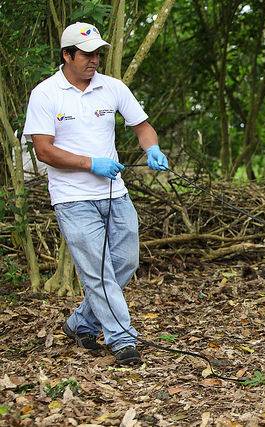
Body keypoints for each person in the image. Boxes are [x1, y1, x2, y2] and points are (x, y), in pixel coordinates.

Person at [22, 22, 168, 366]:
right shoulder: (46, 93)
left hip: (115, 193)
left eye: (98, 53)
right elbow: (44, 150)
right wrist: (90, 163)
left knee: (126, 262)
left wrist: (152, 149)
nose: (94, 60)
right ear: (67, 55)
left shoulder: (112, 87)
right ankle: (122, 339)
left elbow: (142, 126)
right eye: (86, 54)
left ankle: (80, 322)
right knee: (99, 272)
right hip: (73, 198)